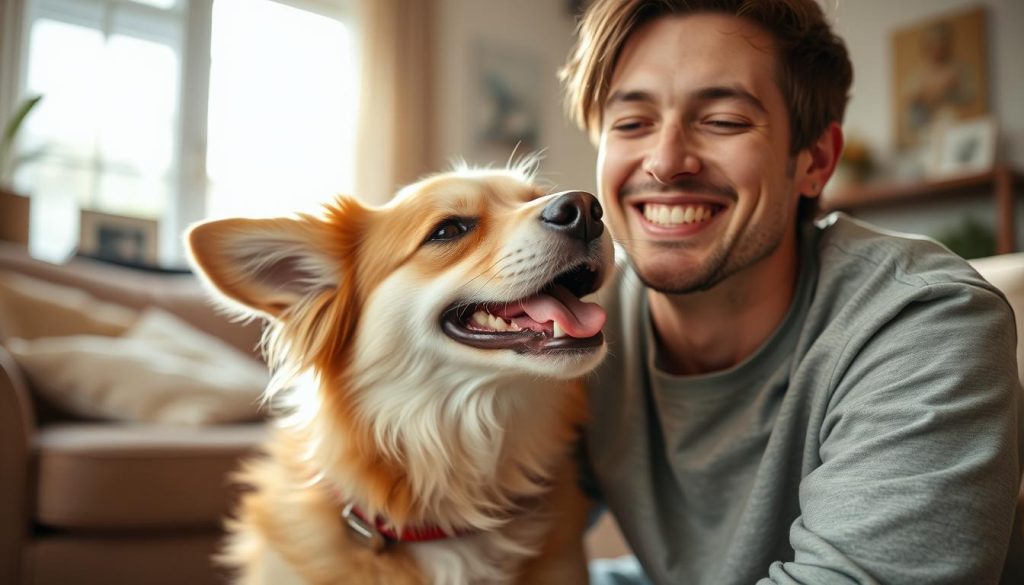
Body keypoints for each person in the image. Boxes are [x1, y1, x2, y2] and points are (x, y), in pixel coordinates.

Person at [558, 1, 1023, 583]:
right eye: (631, 123)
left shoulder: (928, 321)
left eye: (723, 120)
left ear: (815, 161)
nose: (666, 162)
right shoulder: (573, 325)